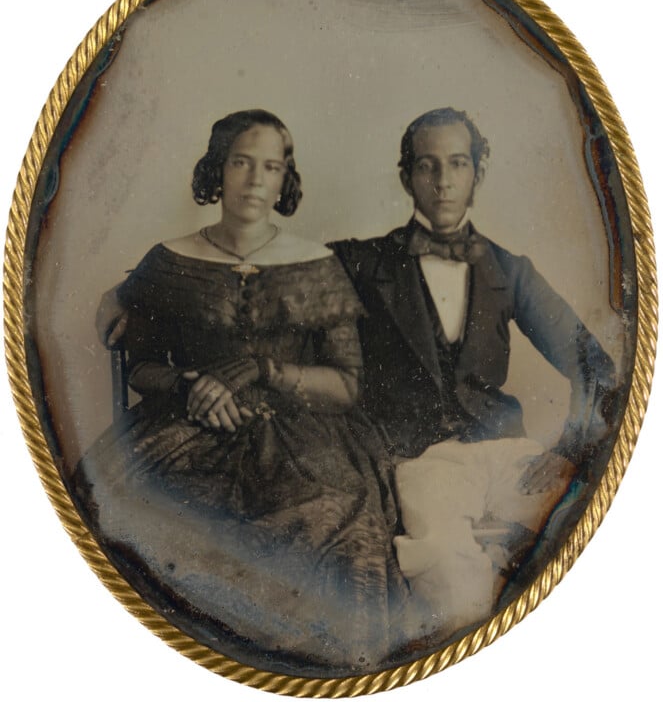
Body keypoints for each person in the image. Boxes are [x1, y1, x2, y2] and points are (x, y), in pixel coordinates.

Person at [74, 109, 407, 675]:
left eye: (270, 167)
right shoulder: (169, 261)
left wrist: (263, 370)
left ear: (284, 180)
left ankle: (308, 675)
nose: (255, 180)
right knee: (129, 516)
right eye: (241, 163)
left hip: (302, 437)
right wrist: (186, 384)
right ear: (217, 170)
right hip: (186, 428)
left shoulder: (317, 266)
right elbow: (141, 366)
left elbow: (346, 385)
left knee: (336, 529)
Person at [331, 107, 618, 639]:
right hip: (422, 459)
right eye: (427, 166)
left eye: (458, 164)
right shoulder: (362, 262)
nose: (443, 182)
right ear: (406, 177)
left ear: (478, 174)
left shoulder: (510, 269)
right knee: (449, 576)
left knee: (586, 541)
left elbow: (594, 366)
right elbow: (277, 275)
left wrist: (568, 448)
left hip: (507, 452)